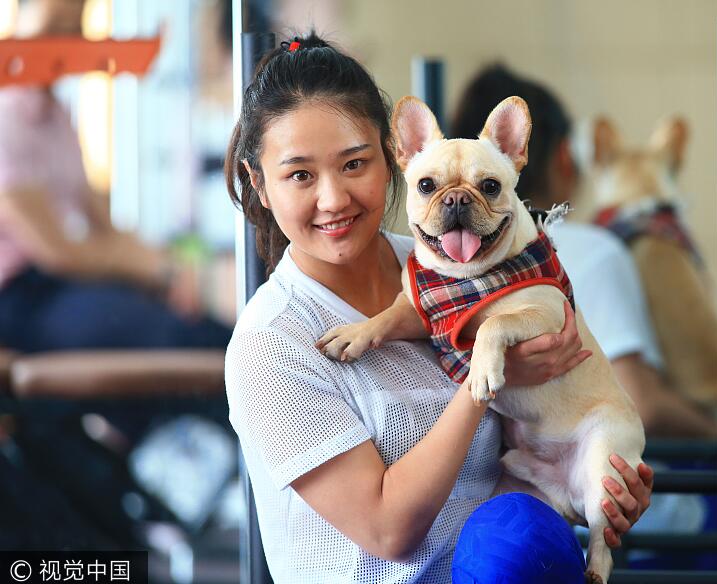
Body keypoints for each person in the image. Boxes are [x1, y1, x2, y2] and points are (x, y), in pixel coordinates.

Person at [224, 33, 653, 582]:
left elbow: (551, 422)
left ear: (388, 157)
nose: (332, 198)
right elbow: (388, 532)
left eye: (354, 164)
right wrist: (486, 377)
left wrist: (600, 491)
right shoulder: (273, 339)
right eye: (300, 175)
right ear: (260, 185)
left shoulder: (453, 265)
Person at [450, 64, 717, 439]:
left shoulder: (431, 264)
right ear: (563, 157)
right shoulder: (595, 252)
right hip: (593, 471)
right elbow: (642, 405)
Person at [0, 0, 232, 352]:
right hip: (21, 298)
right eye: (55, 24)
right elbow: (56, 251)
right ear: (19, 19)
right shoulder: (6, 115)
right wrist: (154, 269)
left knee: (210, 331)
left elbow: (102, 225)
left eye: (75, 26)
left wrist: (168, 273)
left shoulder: (58, 116)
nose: (67, 39)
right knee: (169, 335)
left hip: (64, 285)